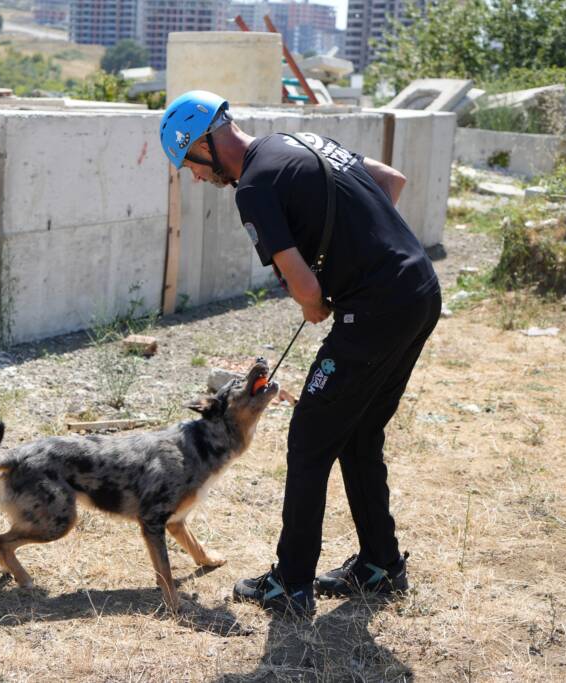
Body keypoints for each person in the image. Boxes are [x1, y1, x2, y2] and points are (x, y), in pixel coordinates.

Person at [159, 90, 441, 616]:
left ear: (202, 143)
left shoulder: (255, 187)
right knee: (358, 433)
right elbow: (389, 181)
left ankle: (290, 583)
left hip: (375, 312)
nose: (197, 178)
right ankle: (380, 565)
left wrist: (321, 296)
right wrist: (362, 249)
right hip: (419, 291)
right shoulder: (297, 141)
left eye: (190, 164)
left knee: (309, 437)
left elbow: (309, 295)